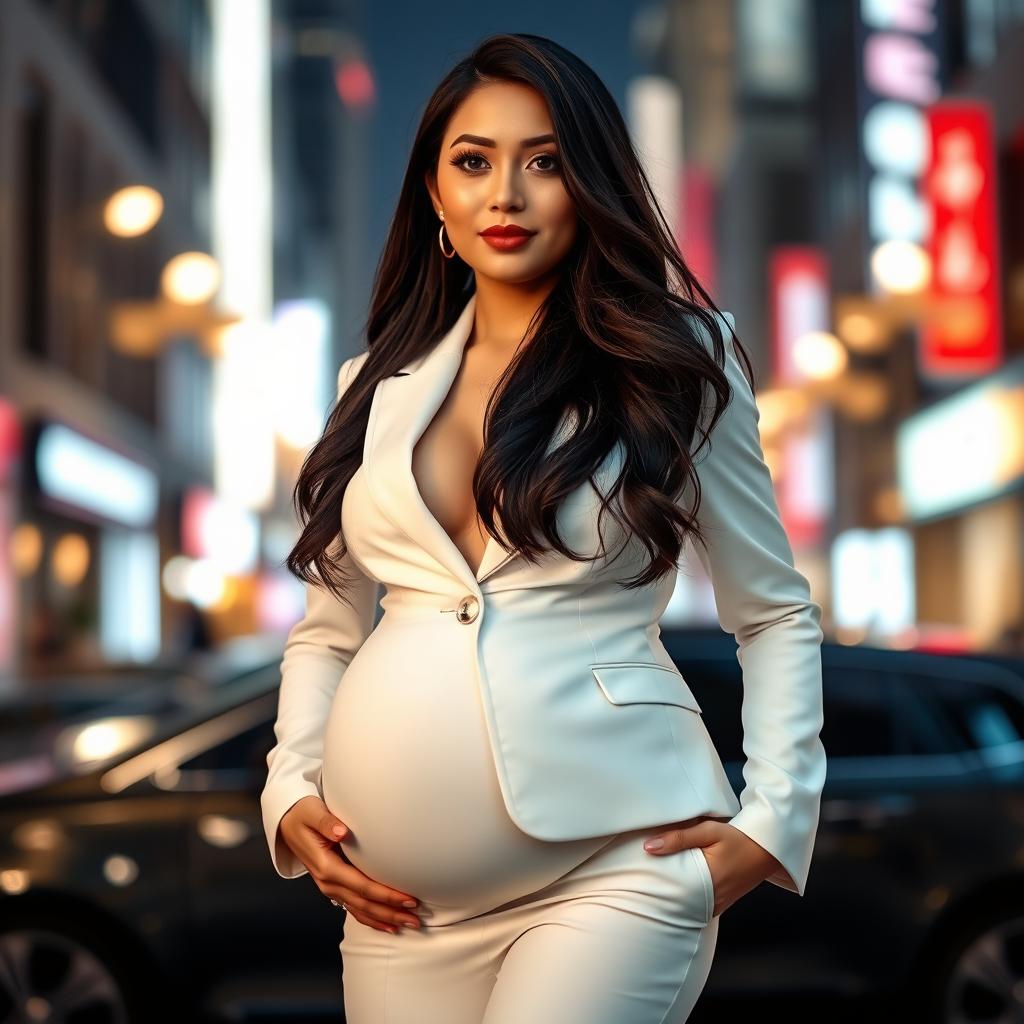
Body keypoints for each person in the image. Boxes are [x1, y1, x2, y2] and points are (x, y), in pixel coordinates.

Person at [261, 32, 826, 1024]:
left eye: (546, 162)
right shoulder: (372, 389)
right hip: (398, 906)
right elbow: (328, 628)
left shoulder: (679, 360)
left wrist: (772, 820)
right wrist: (289, 789)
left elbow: (772, 613)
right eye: (472, 162)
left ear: (592, 182)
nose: (505, 195)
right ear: (433, 193)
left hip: (616, 864)